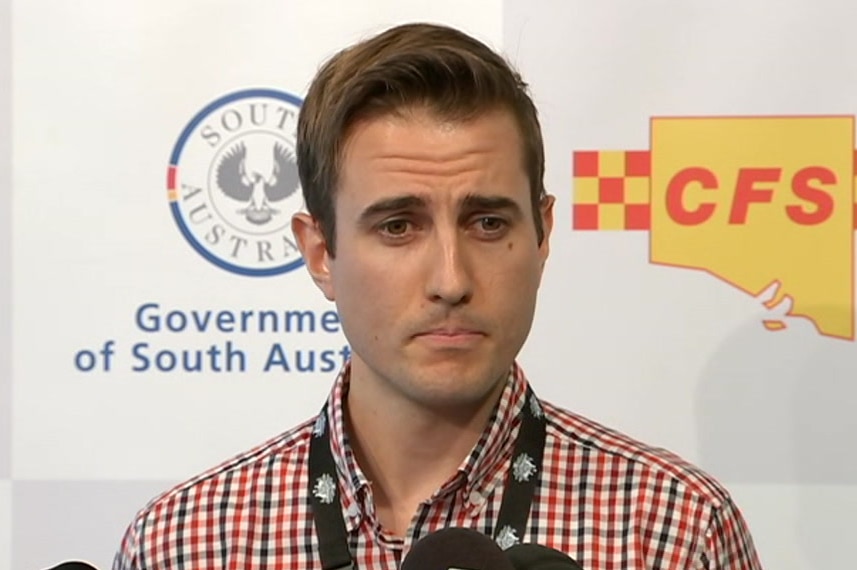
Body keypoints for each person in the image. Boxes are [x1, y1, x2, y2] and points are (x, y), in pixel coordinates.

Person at [113, 23, 763, 570]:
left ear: (542, 235)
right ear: (320, 253)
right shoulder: (184, 542)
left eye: (487, 223)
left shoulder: (673, 531)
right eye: (398, 226)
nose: (450, 280)